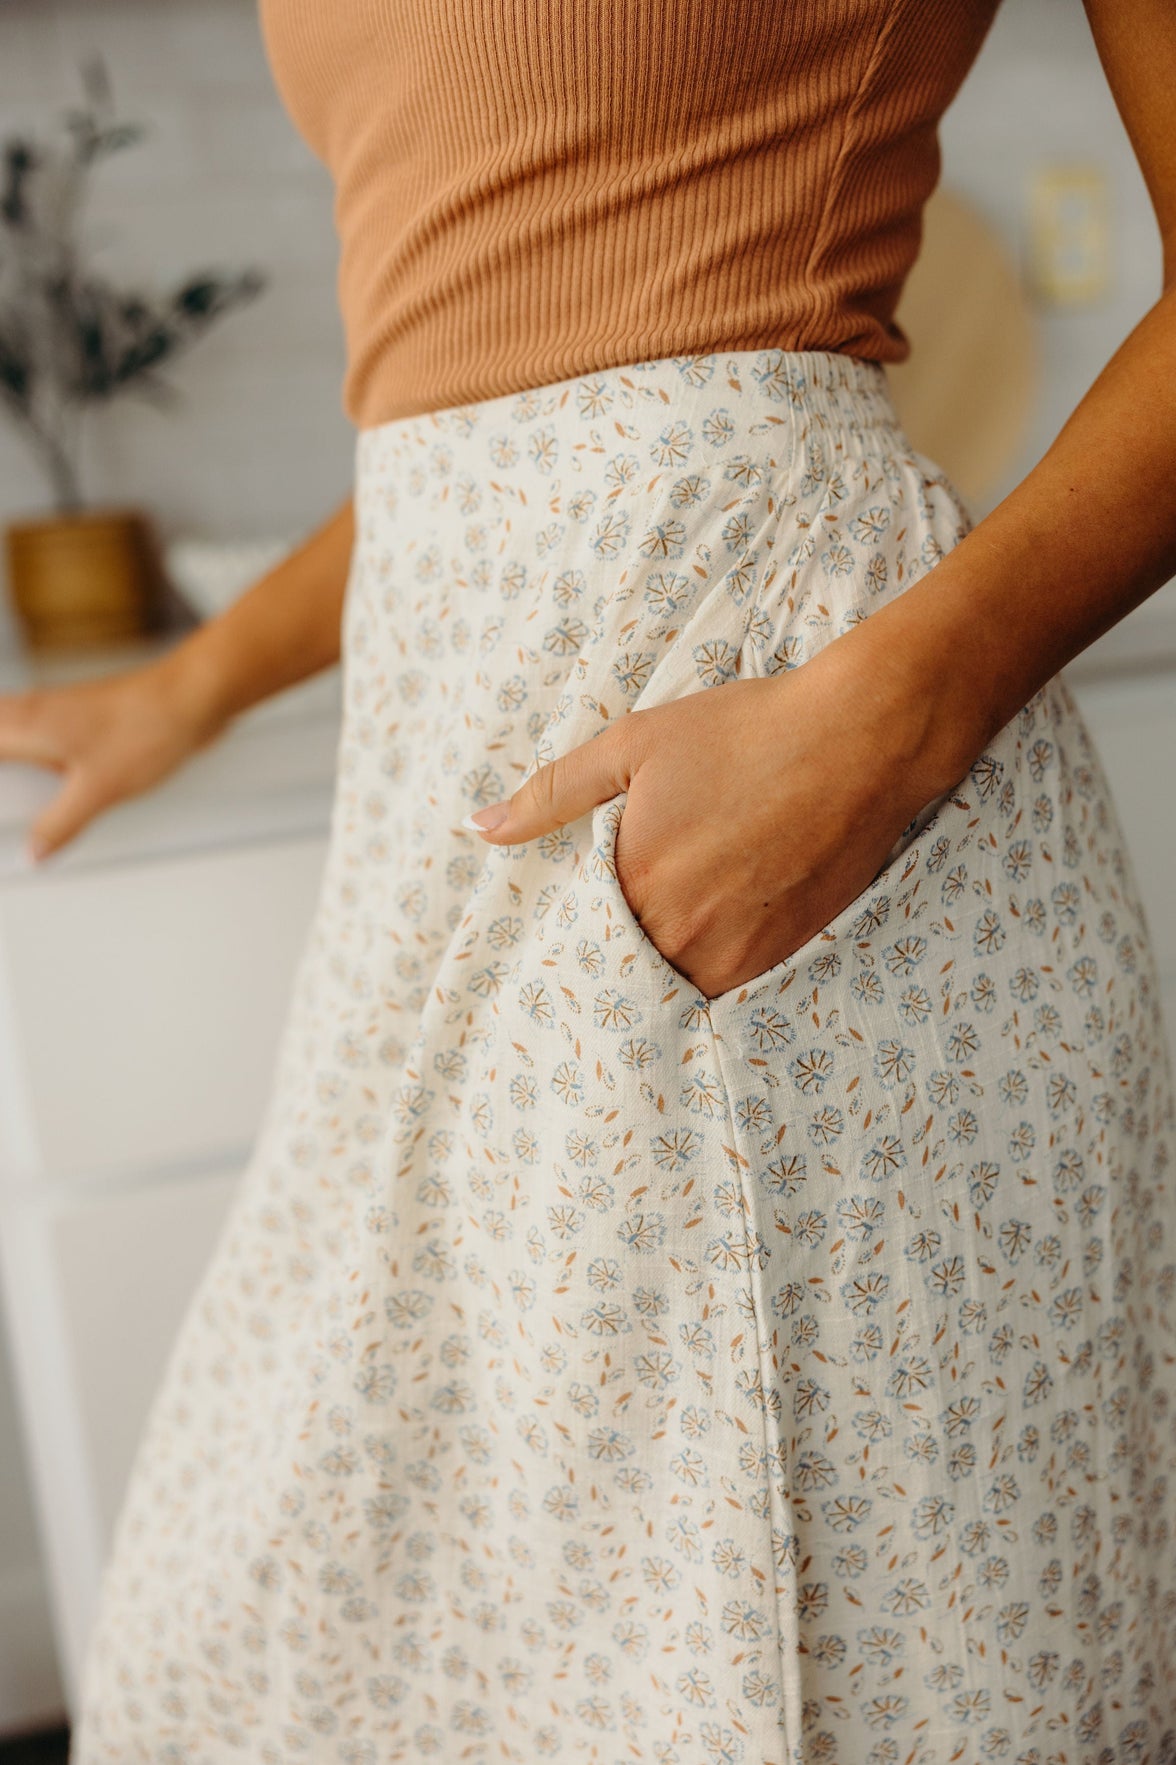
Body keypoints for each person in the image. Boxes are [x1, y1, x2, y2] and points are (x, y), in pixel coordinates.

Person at [15, 0, 1172, 1758]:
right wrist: (191, 683)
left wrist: (880, 733)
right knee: (267, 1639)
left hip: (785, 782)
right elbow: (482, 410)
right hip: (446, 835)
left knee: (819, 1668)